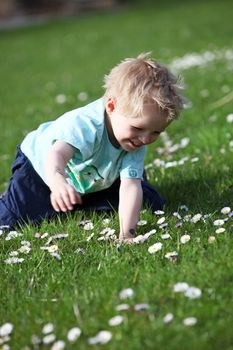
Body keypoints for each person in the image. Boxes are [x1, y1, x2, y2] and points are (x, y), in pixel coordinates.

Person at [0, 52, 185, 241]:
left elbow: (130, 186)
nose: (145, 139)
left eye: (156, 133)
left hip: (89, 180)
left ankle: (77, 201)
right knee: (10, 219)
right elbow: (56, 155)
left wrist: (126, 235)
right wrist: (57, 183)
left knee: (149, 200)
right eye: (138, 128)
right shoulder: (85, 125)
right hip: (41, 171)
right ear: (112, 107)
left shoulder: (134, 140)